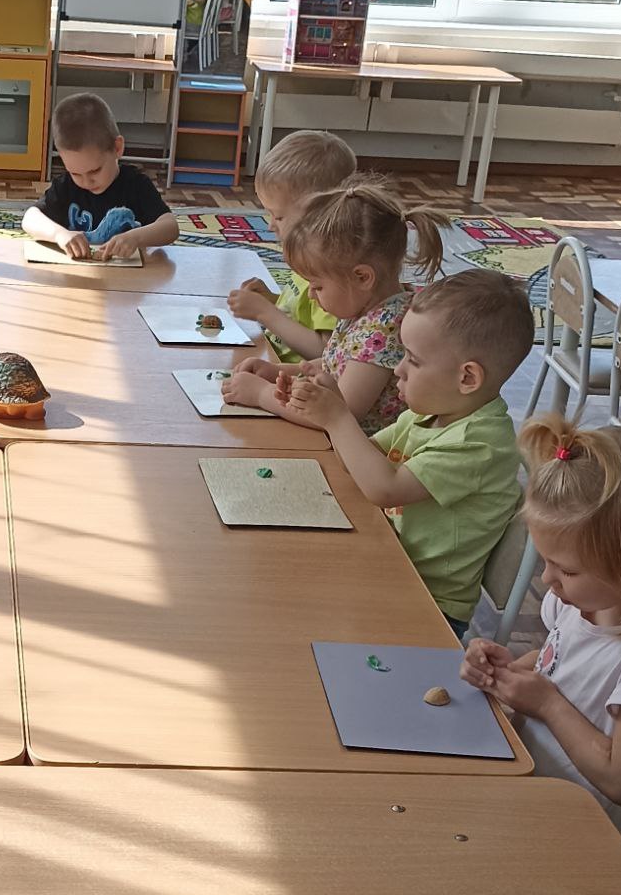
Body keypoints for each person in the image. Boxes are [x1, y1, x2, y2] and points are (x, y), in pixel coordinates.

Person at [462, 416, 621, 895]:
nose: (547, 581)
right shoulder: (583, 603)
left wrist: (547, 704)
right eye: (545, 562)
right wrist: (504, 670)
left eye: (567, 570)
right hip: (536, 798)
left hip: (589, 842)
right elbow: (558, 660)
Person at [284, 270, 531, 637]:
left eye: (413, 360)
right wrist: (334, 403)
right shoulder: (430, 412)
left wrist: (338, 419)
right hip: (386, 565)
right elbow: (360, 463)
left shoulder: (480, 443)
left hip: (428, 607)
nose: (397, 369)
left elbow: (385, 489)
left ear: (467, 378)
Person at [222, 175, 447, 433]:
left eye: (317, 286)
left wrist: (261, 394)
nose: (311, 295)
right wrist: (278, 371)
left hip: (358, 450)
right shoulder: (367, 308)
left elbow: (338, 413)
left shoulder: (382, 331)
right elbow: (337, 366)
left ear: (362, 277)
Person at [227, 129, 357, 363]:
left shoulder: (334, 272)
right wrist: (273, 300)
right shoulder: (309, 254)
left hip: (298, 378)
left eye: (278, 217)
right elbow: (304, 315)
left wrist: (265, 313)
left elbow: (325, 352)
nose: (270, 225)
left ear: (317, 215)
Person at [22, 93, 180, 260]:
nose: (86, 181)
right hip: (76, 275)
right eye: (75, 173)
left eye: (95, 171)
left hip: (127, 274)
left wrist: (135, 238)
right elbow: (30, 219)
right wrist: (59, 234)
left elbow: (170, 227)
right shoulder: (65, 186)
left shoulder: (136, 185)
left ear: (117, 148)